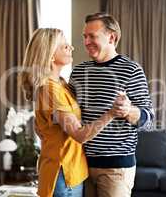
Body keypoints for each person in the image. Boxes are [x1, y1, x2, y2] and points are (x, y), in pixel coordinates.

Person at [20, 28, 116, 197]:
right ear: (50, 55)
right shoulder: (49, 90)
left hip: (72, 171)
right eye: (64, 46)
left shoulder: (62, 84)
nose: (71, 47)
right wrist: (112, 113)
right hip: (62, 175)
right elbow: (79, 134)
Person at [68, 12, 154, 197]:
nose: (86, 42)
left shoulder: (131, 70)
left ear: (112, 37)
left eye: (92, 36)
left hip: (116, 170)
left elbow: (148, 121)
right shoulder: (78, 72)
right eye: (85, 36)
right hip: (81, 165)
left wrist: (128, 111)